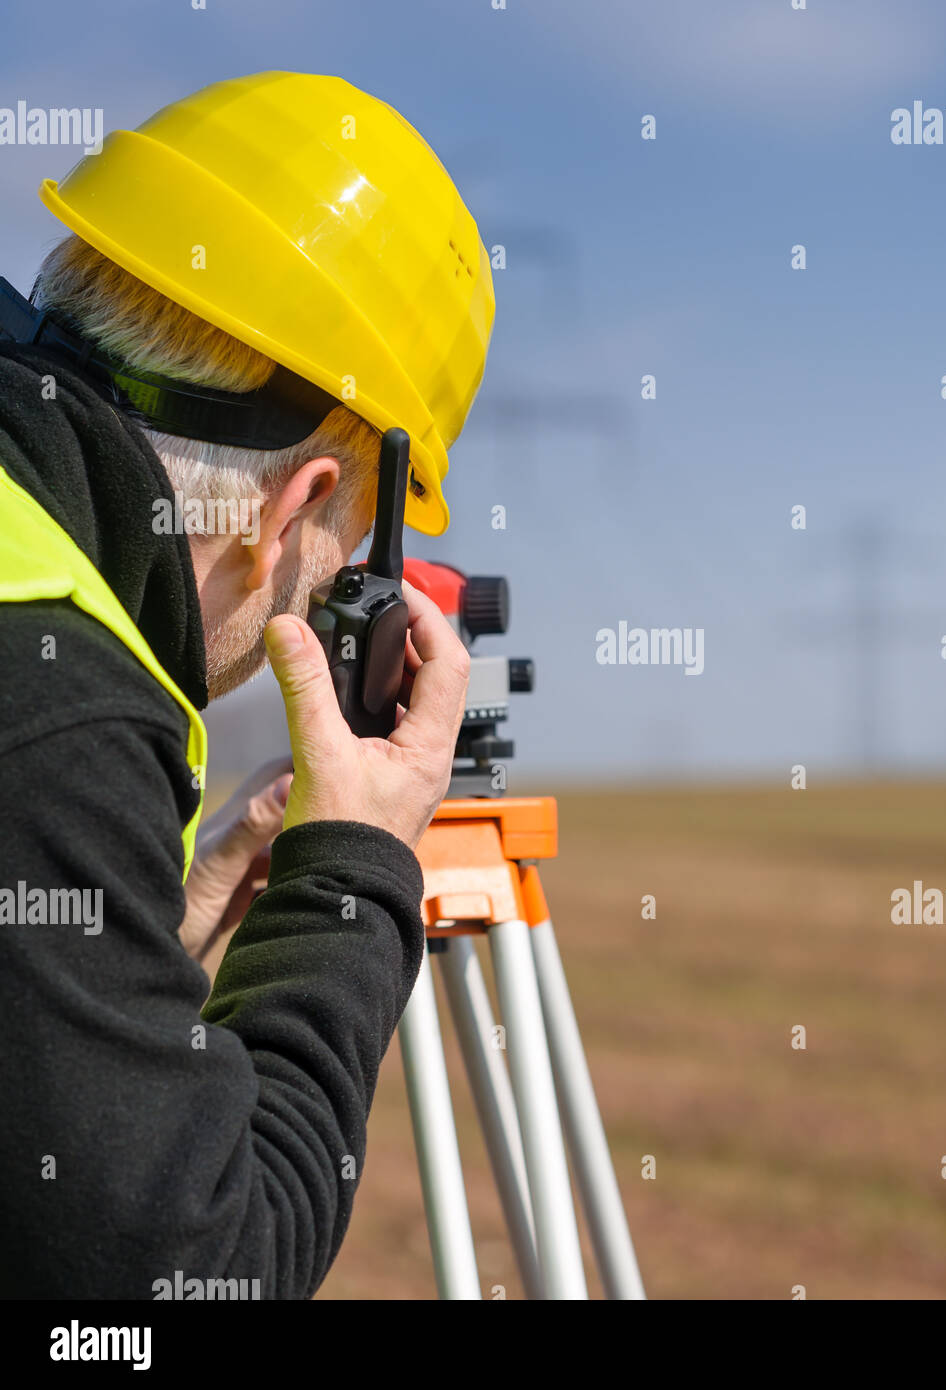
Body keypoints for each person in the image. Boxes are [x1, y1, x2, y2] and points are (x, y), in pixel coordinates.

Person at [0, 72, 493, 1297]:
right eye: (335, 569)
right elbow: (188, 1277)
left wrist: (143, 922)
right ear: (299, 509)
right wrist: (352, 878)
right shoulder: (58, 709)